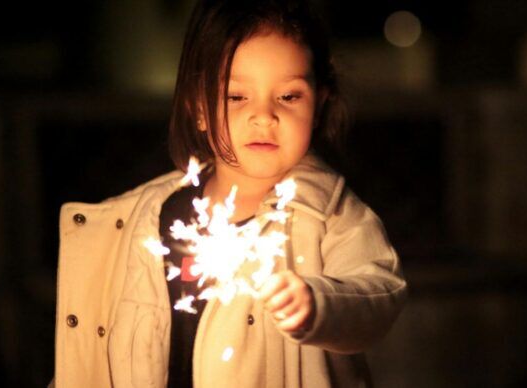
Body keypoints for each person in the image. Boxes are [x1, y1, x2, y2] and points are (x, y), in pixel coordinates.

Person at [51, 0, 407, 387]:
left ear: (318, 105)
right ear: (198, 106)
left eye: (289, 96)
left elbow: (378, 295)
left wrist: (317, 303)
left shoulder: (329, 217)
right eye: (236, 97)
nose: (264, 116)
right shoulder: (146, 220)